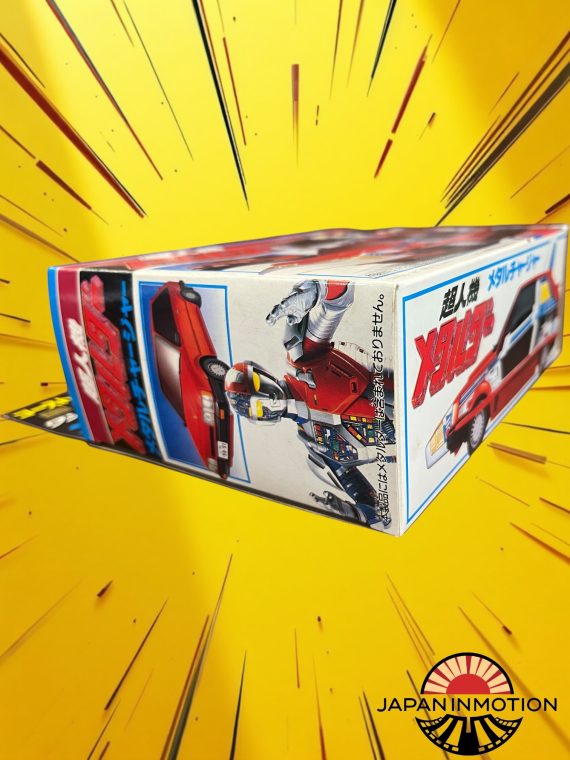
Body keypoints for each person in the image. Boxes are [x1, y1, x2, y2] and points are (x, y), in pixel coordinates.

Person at [224, 280, 395, 528]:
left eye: (259, 388)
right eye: (259, 408)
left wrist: (314, 290)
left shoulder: (302, 357)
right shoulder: (316, 450)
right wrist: (351, 513)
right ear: (260, 419)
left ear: (262, 374)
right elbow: (378, 514)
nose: (269, 401)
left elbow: (342, 295)